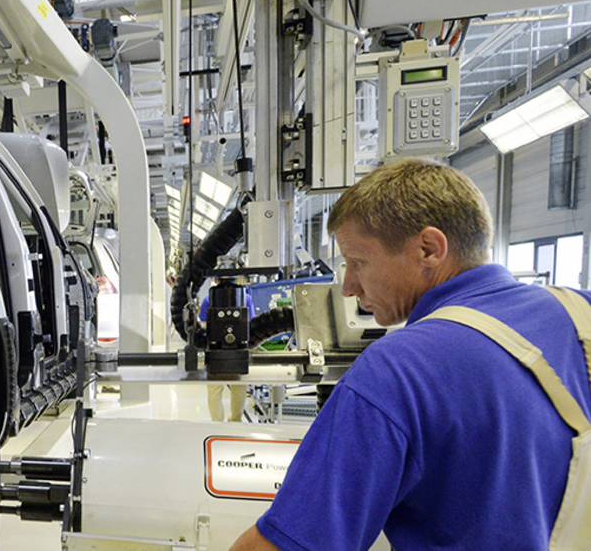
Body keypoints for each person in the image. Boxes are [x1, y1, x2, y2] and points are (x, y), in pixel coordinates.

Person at [230, 158, 591, 551]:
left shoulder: (398, 369)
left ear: (429, 249)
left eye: (358, 263)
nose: (348, 286)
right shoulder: (582, 313)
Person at [199, 277, 253, 422]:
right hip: (239, 349)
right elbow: (251, 324)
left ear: (216, 280)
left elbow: (203, 325)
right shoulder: (246, 298)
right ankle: (235, 419)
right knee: (239, 388)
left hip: (216, 350)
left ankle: (217, 422)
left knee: (214, 390)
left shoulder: (207, 299)